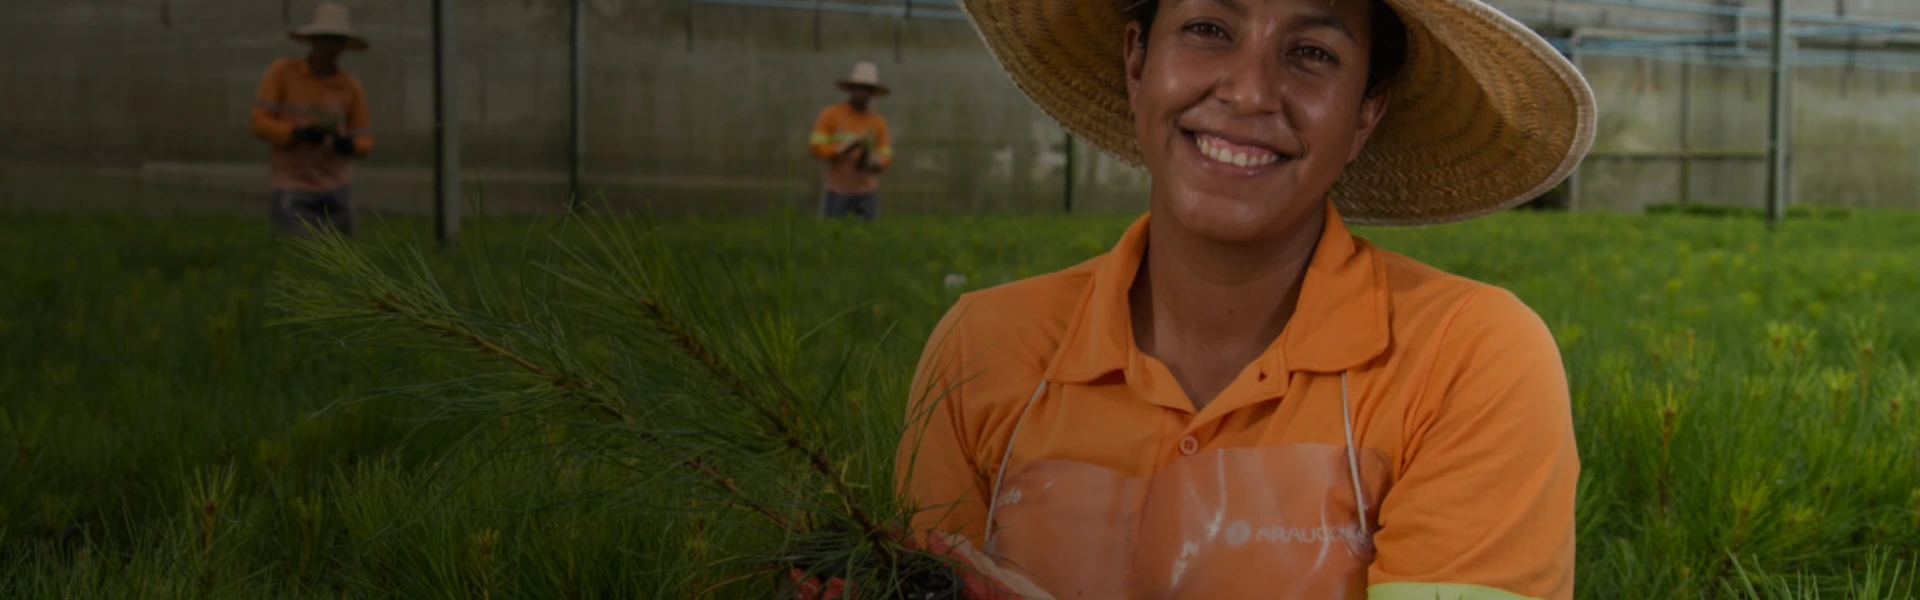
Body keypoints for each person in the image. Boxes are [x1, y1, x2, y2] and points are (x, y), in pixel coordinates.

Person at [888, 0, 1597, 598]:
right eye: (1209, 29)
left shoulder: (1468, 356)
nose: (1250, 91)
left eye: (1313, 52)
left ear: (1364, 115)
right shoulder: (984, 345)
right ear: (1137, 62)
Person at [249, 1, 373, 237]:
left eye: (337, 40)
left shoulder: (349, 87)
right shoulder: (283, 73)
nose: (330, 46)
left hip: (337, 187)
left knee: (344, 263)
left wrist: (348, 145)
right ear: (313, 40)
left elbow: (364, 139)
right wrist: (296, 133)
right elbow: (258, 122)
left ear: (343, 46)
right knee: (296, 258)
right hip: (293, 186)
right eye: (325, 38)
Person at [808, 61, 893, 220]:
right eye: (859, 87)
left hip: (867, 192)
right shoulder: (831, 114)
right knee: (832, 233)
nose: (863, 92)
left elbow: (885, 158)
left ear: (872, 93)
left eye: (867, 89)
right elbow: (815, 148)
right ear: (851, 88)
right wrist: (844, 148)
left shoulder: (878, 122)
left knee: (867, 236)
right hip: (837, 190)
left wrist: (873, 160)